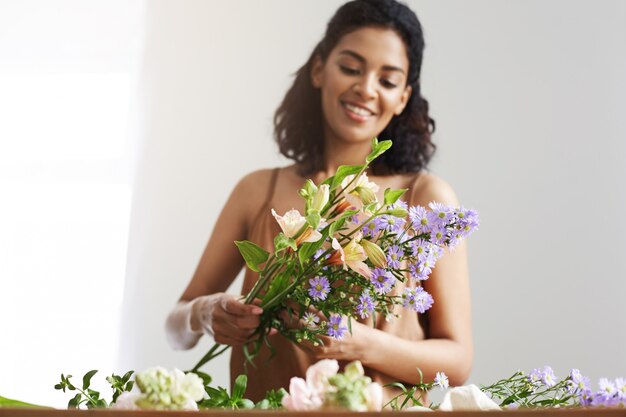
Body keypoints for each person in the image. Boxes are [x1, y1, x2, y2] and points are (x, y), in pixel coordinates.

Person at [166, 0, 472, 403]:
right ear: (318, 70)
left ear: (402, 98)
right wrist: (204, 314)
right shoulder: (256, 192)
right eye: (351, 68)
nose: (366, 88)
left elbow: (458, 359)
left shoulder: (427, 201)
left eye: (388, 80)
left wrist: (363, 344)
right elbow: (177, 327)